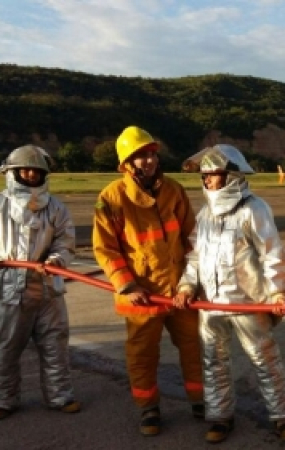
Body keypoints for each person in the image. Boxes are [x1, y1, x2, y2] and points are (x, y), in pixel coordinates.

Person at [173, 144, 285, 444]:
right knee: (213, 362)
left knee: (265, 360)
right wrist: (187, 285)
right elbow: (195, 257)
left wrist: (278, 292)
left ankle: (282, 418)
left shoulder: (254, 209)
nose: (207, 182)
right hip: (211, 305)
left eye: (213, 175)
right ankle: (220, 418)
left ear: (230, 176)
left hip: (249, 305)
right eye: (204, 176)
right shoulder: (204, 214)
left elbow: (273, 254)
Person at [0, 145, 80, 420]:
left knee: (55, 344)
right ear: (11, 173)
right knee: (6, 348)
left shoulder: (56, 208)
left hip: (47, 287)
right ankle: (3, 400)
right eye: (24, 170)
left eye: (36, 171)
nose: (30, 175)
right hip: (5, 289)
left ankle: (60, 396)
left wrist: (57, 260)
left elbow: (65, 240)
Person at [92, 125, 202, 436]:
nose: (149, 161)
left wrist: (189, 282)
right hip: (141, 293)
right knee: (142, 355)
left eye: (152, 154)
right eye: (140, 156)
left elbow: (192, 237)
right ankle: (148, 408)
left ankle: (200, 400)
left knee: (194, 347)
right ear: (126, 163)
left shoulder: (174, 190)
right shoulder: (111, 197)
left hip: (180, 290)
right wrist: (127, 285)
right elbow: (105, 248)